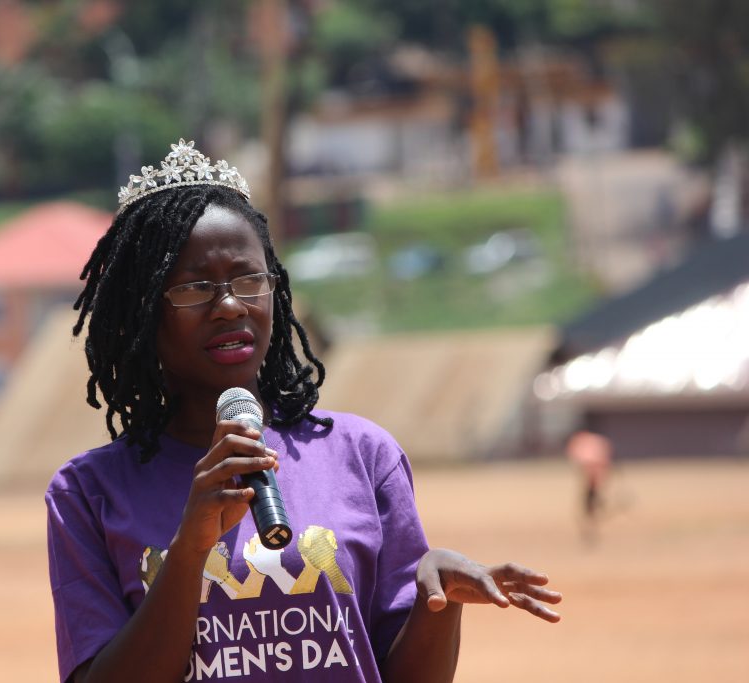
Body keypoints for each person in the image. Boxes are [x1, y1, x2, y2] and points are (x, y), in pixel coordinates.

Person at [46, 138, 561, 683]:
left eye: (249, 280)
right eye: (196, 288)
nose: (230, 305)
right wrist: (189, 549)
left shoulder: (363, 456)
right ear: (144, 309)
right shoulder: (87, 493)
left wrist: (440, 605)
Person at [565, 425, 614, 543]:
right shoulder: (597, 441)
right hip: (596, 480)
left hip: (592, 481)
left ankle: (592, 527)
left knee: (590, 508)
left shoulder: (583, 443)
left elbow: (581, 461)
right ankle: (593, 524)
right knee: (592, 507)